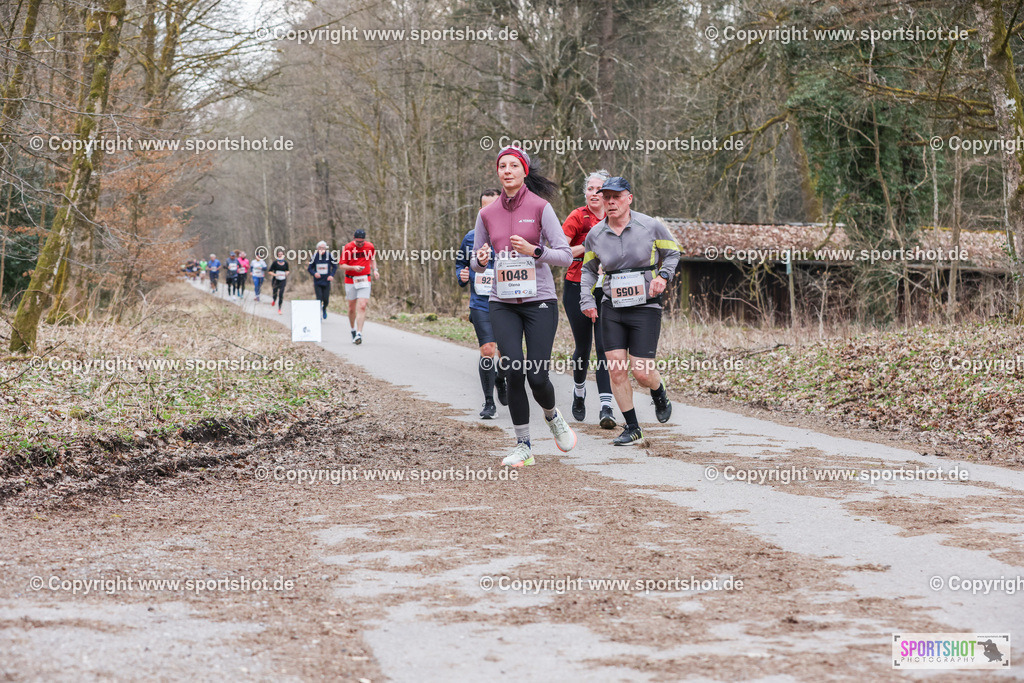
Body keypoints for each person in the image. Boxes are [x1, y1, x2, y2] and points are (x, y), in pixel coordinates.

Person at [471, 146, 576, 467]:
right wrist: (482, 259)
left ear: (524, 171)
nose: (507, 170)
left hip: (540, 302)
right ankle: (523, 446)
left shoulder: (541, 207)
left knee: (537, 375)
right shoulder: (486, 214)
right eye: (502, 166)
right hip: (503, 302)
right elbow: (475, 262)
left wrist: (535, 250)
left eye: (513, 165)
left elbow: (566, 254)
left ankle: (552, 416)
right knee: (513, 369)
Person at [580, 177, 680, 445]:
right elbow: (588, 271)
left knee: (642, 373)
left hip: (645, 305)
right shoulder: (595, 235)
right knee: (616, 369)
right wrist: (586, 300)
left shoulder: (650, 225)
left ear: (629, 198)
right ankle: (632, 426)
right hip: (612, 305)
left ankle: (659, 392)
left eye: (616, 197)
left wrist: (664, 276)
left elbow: (673, 253)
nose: (610, 202)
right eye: (606, 197)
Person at [563, 170, 616, 429]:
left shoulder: (616, 218)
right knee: (583, 347)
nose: (594, 193)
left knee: (605, 347)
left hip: (607, 288)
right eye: (590, 188)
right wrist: (589, 245)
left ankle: (606, 407)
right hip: (576, 285)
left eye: (600, 189)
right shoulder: (578, 217)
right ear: (585, 192)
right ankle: (579, 391)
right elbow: (559, 252)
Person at [457, 189, 508, 418]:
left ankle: (500, 378)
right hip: (481, 303)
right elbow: (460, 264)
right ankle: (489, 403)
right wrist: (462, 275)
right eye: (485, 208)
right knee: (488, 350)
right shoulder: (470, 237)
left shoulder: (512, 236)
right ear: (480, 211)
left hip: (508, 303)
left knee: (507, 355)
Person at [338, 229, 378, 344]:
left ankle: (359, 333)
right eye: (358, 241)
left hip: (365, 279)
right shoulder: (348, 248)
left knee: (362, 305)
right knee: (351, 308)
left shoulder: (370, 246)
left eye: (362, 241)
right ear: (354, 238)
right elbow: (342, 266)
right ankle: (353, 330)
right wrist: (353, 267)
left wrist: (375, 270)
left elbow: (372, 259)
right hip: (350, 280)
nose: (360, 244)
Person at [308, 241, 336, 319]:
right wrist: (314, 273)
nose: (321, 249)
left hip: (326, 281)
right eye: (320, 248)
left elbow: (335, 266)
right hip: (317, 282)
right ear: (317, 249)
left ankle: (324, 309)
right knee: (319, 299)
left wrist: (331, 275)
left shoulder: (329, 256)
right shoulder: (314, 257)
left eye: (323, 248)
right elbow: (309, 268)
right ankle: (318, 315)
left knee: (326, 299)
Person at [268, 248, 289, 314]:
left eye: (281, 254)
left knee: (281, 294)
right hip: (276, 280)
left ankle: (279, 309)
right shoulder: (275, 263)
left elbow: (287, 270)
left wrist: (287, 273)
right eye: (279, 254)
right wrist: (274, 274)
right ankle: (274, 299)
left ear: (283, 255)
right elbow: (269, 271)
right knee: (275, 292)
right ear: (277, 255)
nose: (280, 255)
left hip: (283, 280)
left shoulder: (286, 263)